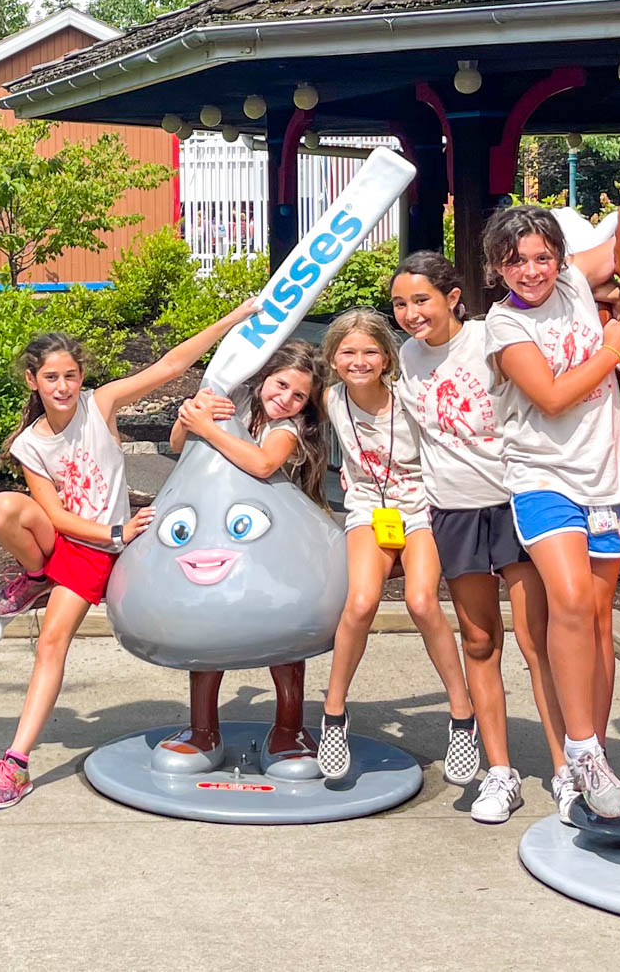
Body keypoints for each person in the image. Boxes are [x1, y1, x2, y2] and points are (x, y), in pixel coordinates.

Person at [0, 295, 263, 809]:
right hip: (83, 541)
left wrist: (235, 317)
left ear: (81, 375)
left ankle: (39, 583)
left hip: (112, 543)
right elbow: (55, 514)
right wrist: (112, 534)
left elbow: (171, 364)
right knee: (3, 510)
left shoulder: (99, 404)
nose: (62, 387)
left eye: (70, 376)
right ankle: (16, 760)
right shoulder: (31, 444)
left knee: (58, 640)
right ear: (31, 381)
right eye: (50, 378)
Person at [482, 204, 620, 819]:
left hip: (608, 476)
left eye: (541, 257)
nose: (531, 270)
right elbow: (552, 398)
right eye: (515, 260)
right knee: (572, 599)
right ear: (497, 267)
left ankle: (596, 755)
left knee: (600, 619)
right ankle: (578, 747)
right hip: (542, 477)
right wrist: (614, 349)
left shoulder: (576, 283)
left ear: (558, 256)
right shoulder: (502, 326)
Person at [390, 253, 554, 823]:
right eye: (401, 304)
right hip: (453, 511)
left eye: (422, 300)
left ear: (453, 297)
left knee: (538, 643)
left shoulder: (492, 338)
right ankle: (500, 773)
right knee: (480, 642)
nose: (412, 314)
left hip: (512, 501)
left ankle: (570, 770)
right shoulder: (406, 358)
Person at [315, 307, 478, 783]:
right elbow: (273, 401)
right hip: (369, 507)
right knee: (361, 601)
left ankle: (462, 714)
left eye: (370, 351)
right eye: (348, 352)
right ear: (333, 357)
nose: (359, 360)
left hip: (419, 507)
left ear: (387, 358)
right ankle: (333, 713)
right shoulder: (330, 400)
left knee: (422, 601)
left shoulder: (410, 399)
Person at [162, 340, 328, 767]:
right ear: (263, 378)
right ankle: (202, 729)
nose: (285, 399)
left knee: (287, 634)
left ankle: (289, 729)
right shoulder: (234, 403)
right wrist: (190, 416)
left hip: (274, 550)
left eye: (298, 396)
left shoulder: (285, 430)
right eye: (281, 385)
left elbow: (261, 464)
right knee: (207, 627)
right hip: (215, 539)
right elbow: (179, 444)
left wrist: (210, 426)